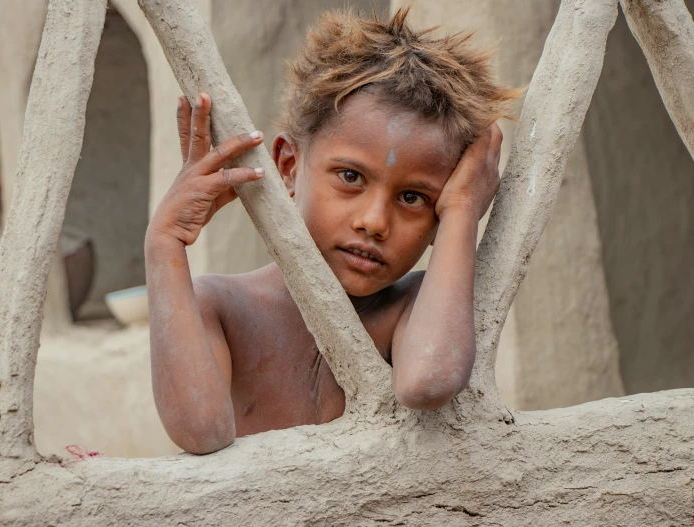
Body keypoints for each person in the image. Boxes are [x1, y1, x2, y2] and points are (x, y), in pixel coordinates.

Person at [145, 7, 519, 454]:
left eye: (414, 198)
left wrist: (461, 210)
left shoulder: (415, 308)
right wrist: (163, 243)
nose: (374, 222)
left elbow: (427, 382)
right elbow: (201, 432)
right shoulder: (220, 308)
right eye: (350, 177)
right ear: (288, 165)